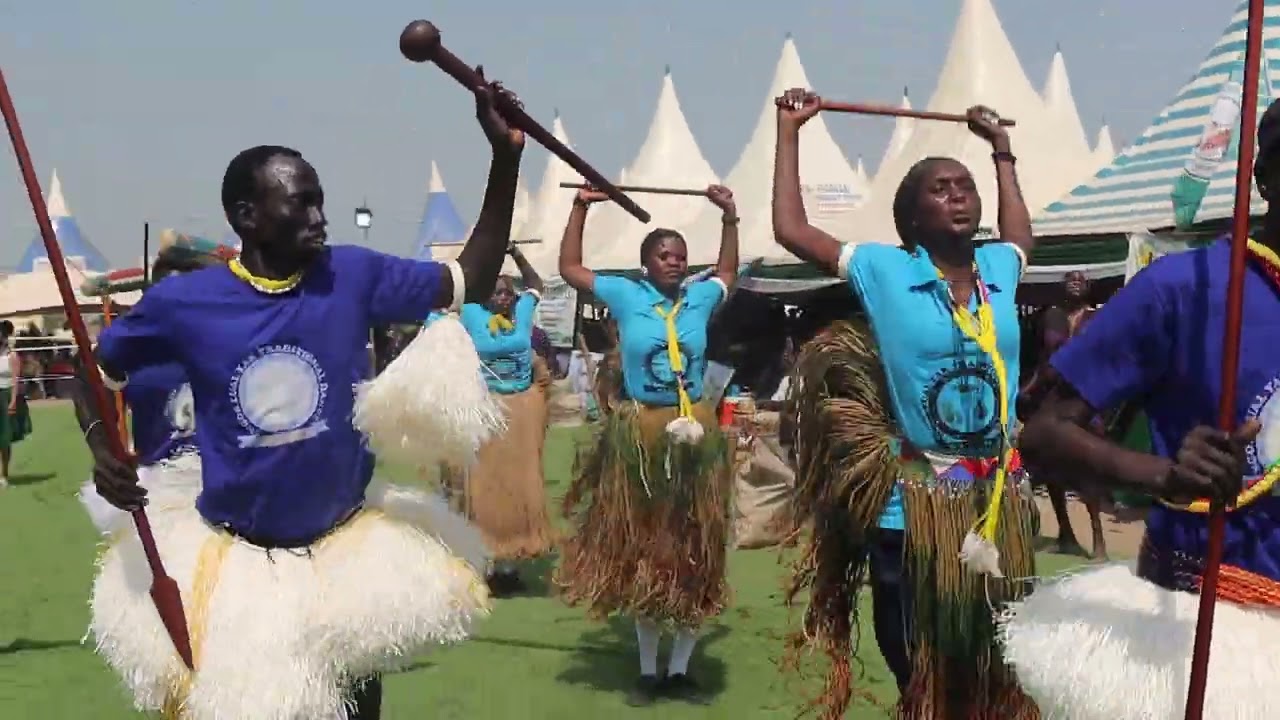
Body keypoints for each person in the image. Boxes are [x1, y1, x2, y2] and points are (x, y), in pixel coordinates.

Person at [81, 78, 524, 720]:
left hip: (346, 554)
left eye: (321, 202)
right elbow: (90, 378)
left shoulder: (353, 274)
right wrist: (102, 447)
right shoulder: (183, 304)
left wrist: (504, 158)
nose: (320, 217)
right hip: (236, 561)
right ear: (246, 215)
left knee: (355, 708)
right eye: (302, 203)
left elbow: (472, 278)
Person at [1000, 100, 1280, 720]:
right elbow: (1044, 433)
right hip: (1213, 632)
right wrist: (1167, 478)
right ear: (1265, 177)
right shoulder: (1183, 287)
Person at [772, 87, 1039, 719]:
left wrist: (1002, 152)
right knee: (917, 656)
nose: (959, 195)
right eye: (941, 188)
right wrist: (790, 132)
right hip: (914, 497)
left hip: (998, 492)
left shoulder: (1000, 265)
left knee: (998, 655)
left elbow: (1022, 232)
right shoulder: (884, 270)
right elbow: (791, 229)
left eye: (965, 186)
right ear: (912, 216)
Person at [555, 183, 739, 706]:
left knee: (694, 545)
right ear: (645, 264)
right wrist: (579, 208)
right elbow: (571, 268)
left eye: (680, 255)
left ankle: (681, 670)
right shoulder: (626, 295)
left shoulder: (701, 297)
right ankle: (647, 668)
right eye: (664, 254)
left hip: (695, 434)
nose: (674, 262)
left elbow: (727, 272)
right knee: (645, 545)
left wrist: (729, 218)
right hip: (640, 435)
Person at [75, 248, 229, 532]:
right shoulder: (134, 346)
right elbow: (86, 376)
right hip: (166, 497)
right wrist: (103, 451)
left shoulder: (238, 338)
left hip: (239, 493)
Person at [455, 243, 554, 596]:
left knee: (520, 483)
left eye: (507, 293)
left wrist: (514, 253)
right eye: (497, 293)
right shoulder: (469, 314)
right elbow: (453, 289)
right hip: (487, 406)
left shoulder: (523, 314)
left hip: (522, 408)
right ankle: (486, 560)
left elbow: (536, 285)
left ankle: (512, 562)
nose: (504, 298)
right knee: (487, 484)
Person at [1017, 270, 1111, 558]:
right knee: (1050, 466)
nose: (1075, 280)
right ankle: (1065, 532)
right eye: (1070, 277)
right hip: (1050, 397)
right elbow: (1044, 359)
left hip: (1083, 398)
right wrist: (1026, 389)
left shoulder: (1096, 319)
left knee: (1087, 468)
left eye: (1081, 278)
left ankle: (1098, 537)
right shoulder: (1052, 316)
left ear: (1089, 287)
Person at [0, 321, 30, 486]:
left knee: (4, 439)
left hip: (5, 397)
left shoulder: (12, 356)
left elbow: (15, 380)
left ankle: (4, 474)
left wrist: (12, 401)